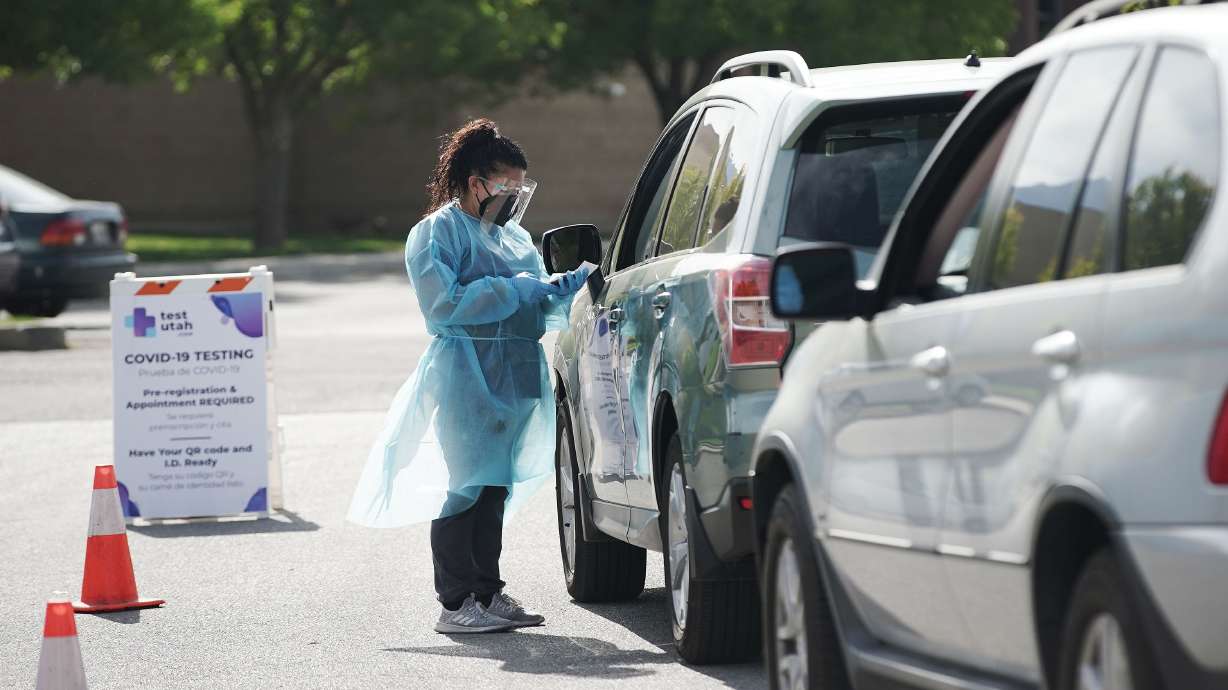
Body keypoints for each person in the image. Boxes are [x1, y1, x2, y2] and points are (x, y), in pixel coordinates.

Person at [347, 118, 587, 634]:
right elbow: (443, 305)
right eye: (506, 187)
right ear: (476, 181)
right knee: (465, 487)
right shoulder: (436, 232)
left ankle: (486, 590)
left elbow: (531, 307)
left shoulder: (515, 237)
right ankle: (455, 603)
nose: (513, 199)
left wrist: (556, 292)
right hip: (466, 372)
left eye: (520, 189)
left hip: (515, 374)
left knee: (494, 486)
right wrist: (516, 289)